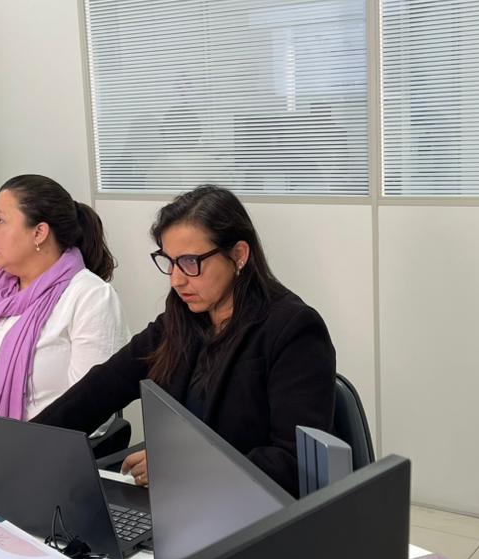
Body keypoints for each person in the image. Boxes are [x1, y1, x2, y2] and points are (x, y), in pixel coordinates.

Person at [33, 185, 337, 497]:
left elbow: (294, 463)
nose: (177, 280)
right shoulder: (181, 320)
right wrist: (29, 443)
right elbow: (100, 388)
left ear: (238, 255)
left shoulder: (293, 329)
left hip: (255, 510)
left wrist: (182, 467)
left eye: (191, 262)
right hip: (182, 502)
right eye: (170, 261)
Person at [0, 175, 128, 433]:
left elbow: (92, 412)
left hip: (33, 447)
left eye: (1, 220)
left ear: (39, 233)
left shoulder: (89, 296)